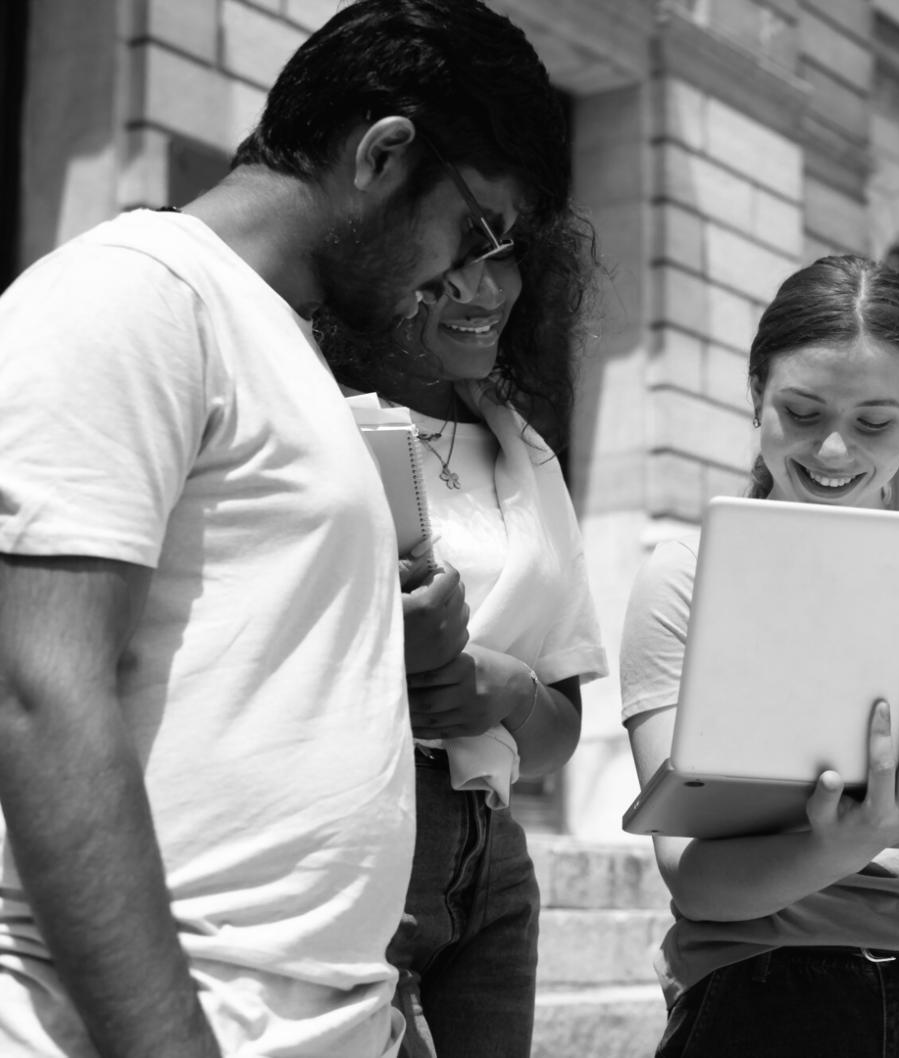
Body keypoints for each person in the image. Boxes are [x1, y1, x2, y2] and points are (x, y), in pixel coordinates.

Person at [0, 2, 567, 1055]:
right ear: (383, 154)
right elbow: (40, 692)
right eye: (474, 228)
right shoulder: (135, 293)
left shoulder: (284, 345)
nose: (463, 276)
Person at [620, 255, 899, 1058]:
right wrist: (849, 840)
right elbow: (695, 877)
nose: (835, 449)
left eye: (874, 423)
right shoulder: (688, 579)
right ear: (756, 394)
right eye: (802, 412)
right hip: (768, 990)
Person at [318, 206, 607, 1058]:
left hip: (494, 861)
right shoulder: (310, 417)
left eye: (503, 256)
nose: (482, 290)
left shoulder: (528, 454)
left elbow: (560, 733)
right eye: (452, 262)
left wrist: (506, 691)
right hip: (358, 823)